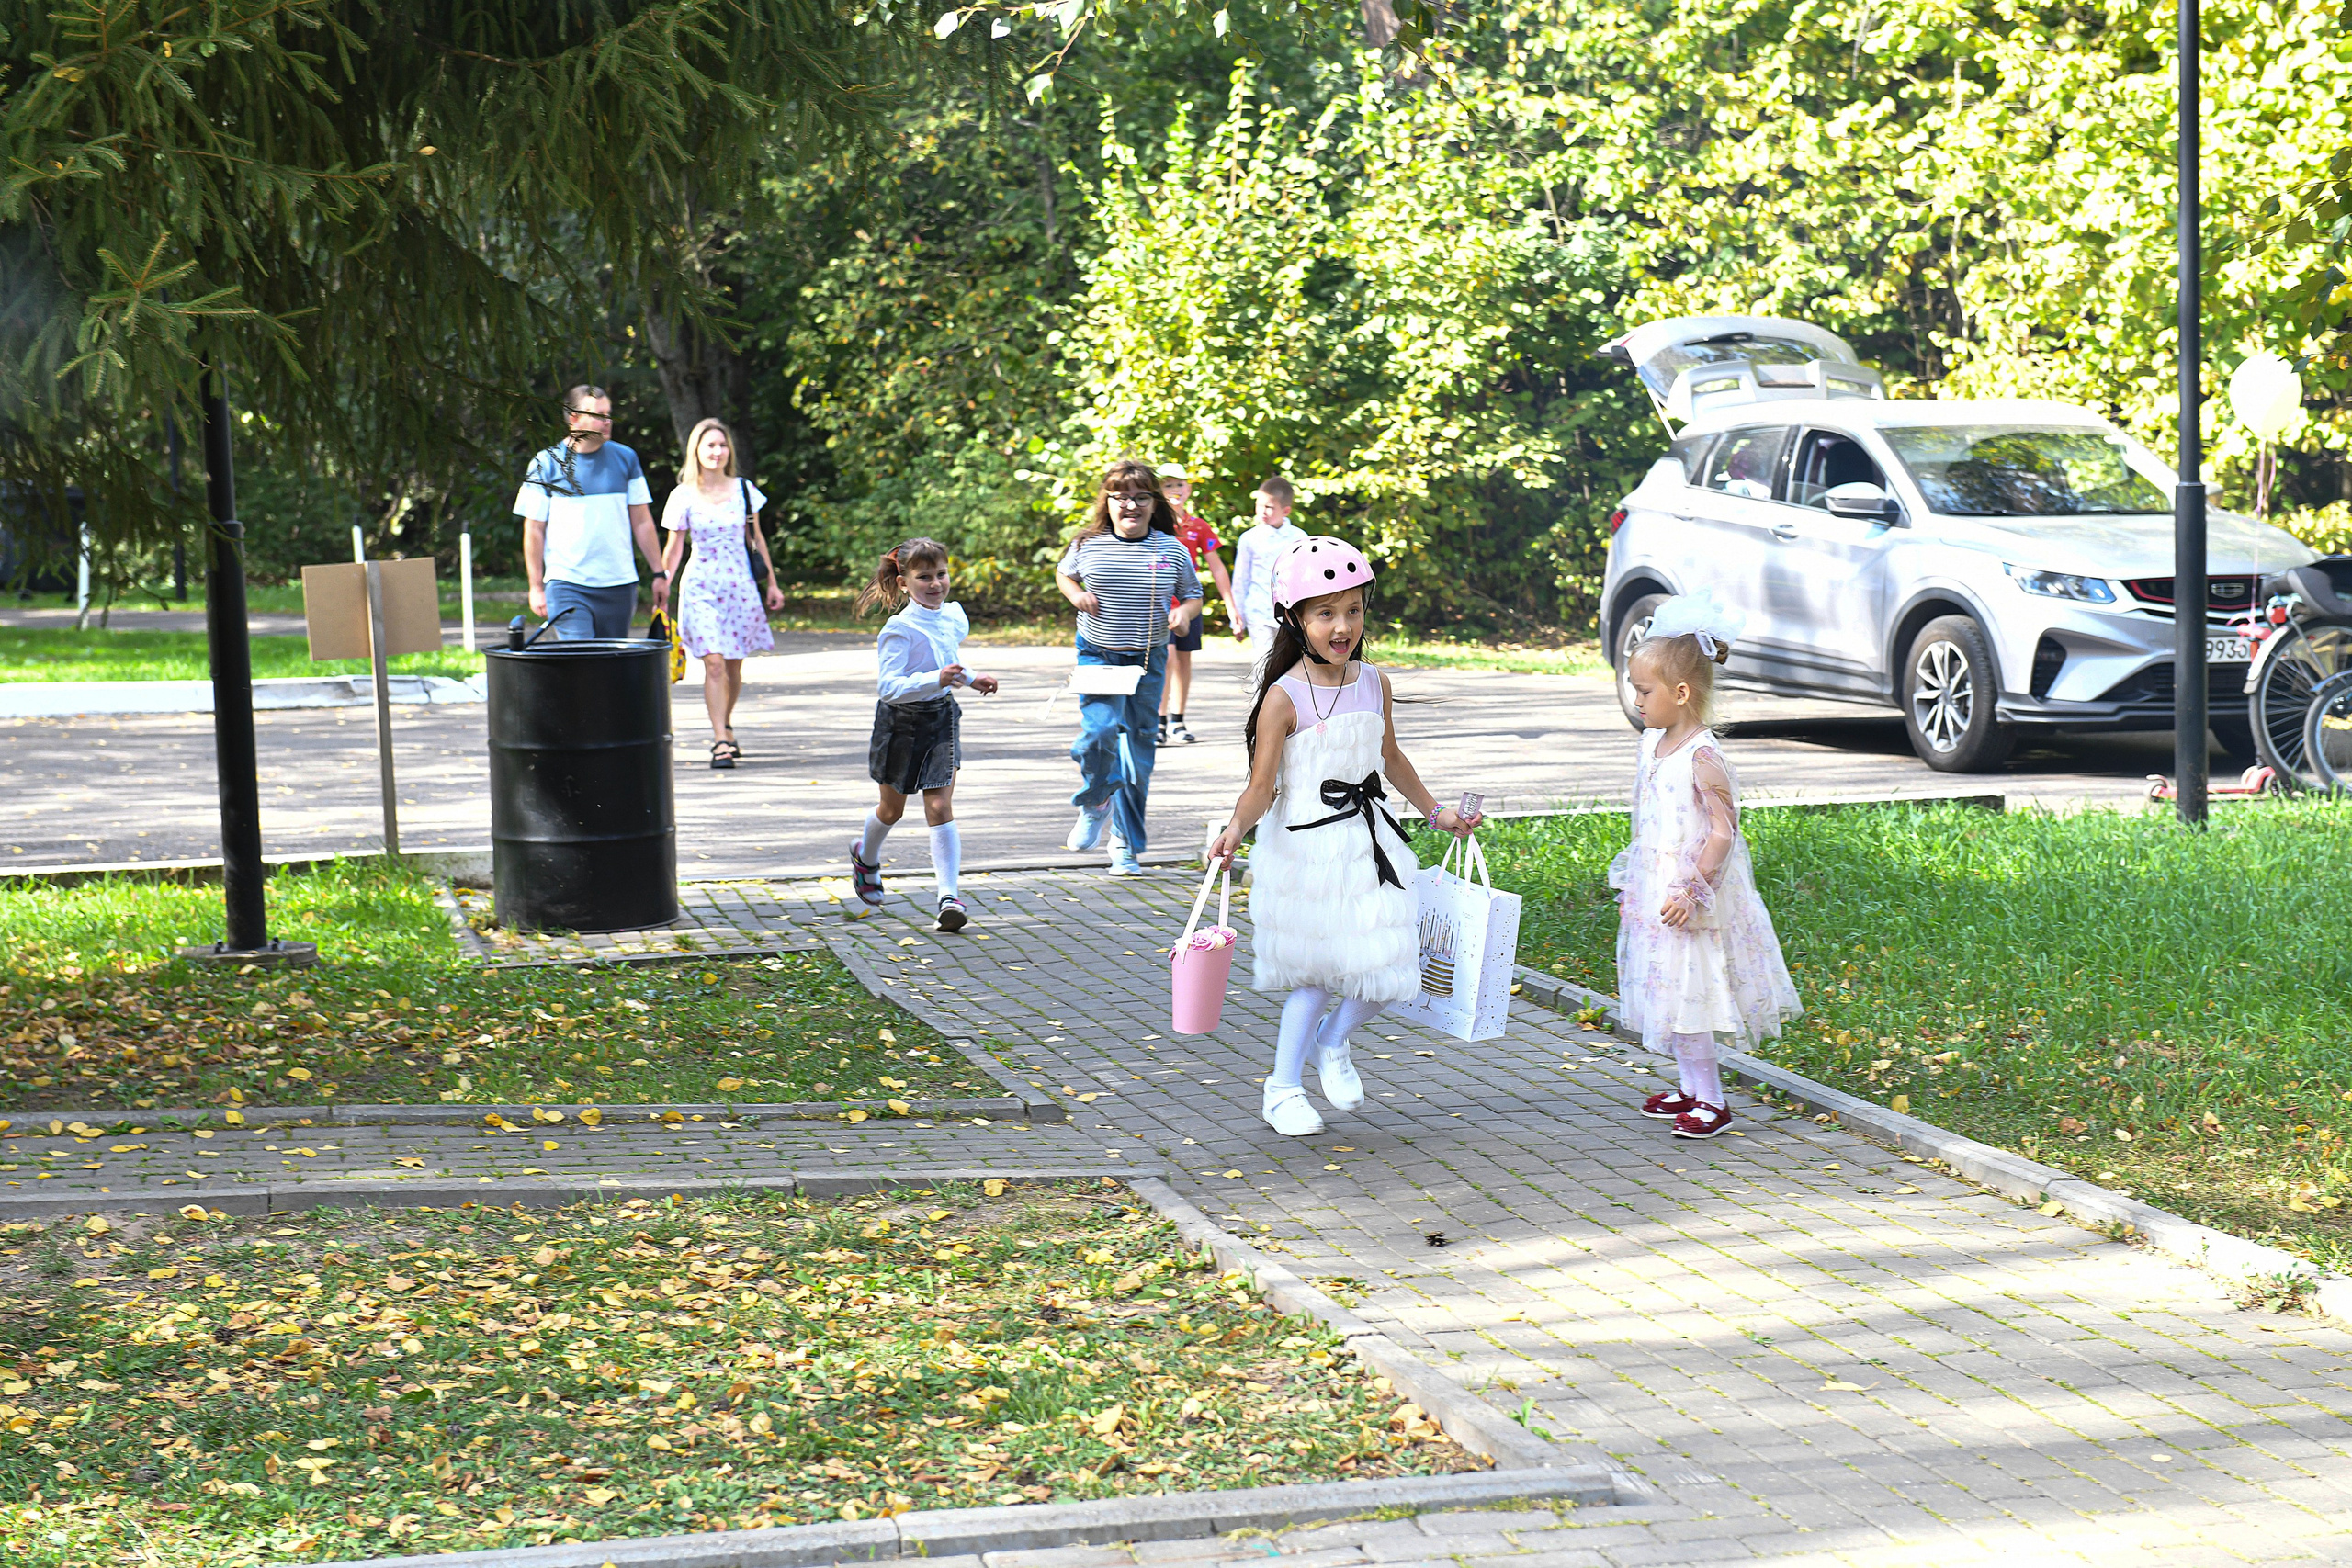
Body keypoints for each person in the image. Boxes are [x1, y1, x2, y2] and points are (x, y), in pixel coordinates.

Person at [1207, 536, 1481, 1137]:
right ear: (1295, 618)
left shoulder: (1372, 683)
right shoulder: (1283, 697)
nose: (1342, 625)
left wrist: (1436, 812)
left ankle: (1333, 1042)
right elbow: (1262, 787)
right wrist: (1233, 830)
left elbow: (1390, 757)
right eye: (1326, 612)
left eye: (1353, 610)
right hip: (1306, 849)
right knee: (1315, 975)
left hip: (1370, 844)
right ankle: (1281, 1088)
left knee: (1394, 965)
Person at [1611, 592, 1802, 1141]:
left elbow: (1723, 830)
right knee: (1664, 990)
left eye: (1644, 691)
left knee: (1689, 994)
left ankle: (1712, 1100)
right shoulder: (1653, 745)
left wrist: (1692, 890)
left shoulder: (1703, 756)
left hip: (1690, 898)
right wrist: (1635, 877)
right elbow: (1649, 820)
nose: (1637, 699)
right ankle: (1690, 1088)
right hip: (1657, 890)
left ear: (1682, 692)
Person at [1054, 461, 1201, 875]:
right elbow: (1064, 576)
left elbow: (1192, 595)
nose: (1130, 505)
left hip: (1147, 660)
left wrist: (1184, 615)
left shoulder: (1171, 549)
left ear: (1154, 504)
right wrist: (1076, 594)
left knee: (1137, 754)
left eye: (1140, 497)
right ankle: (1097, 798)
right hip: (1098, 655)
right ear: (1108, 502)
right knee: (1098, 734)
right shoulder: (1087, 544)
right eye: (1121, 497)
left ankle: (1125, 847)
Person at [848, 539, 999, 931]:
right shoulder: (899, 629)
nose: (935, 584)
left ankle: (949, 897)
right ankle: (866, 855)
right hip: (899, 723)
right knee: (891, 810)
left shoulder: (952, 617)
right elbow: (890, 687)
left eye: (941, 575)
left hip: (940, 719)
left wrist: (970, 677)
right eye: (924, 577)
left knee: (938, 806)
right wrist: (939, 678)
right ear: (903, 583)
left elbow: (948, 659)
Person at [661, 418, 784, 768]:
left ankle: (726, 724)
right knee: (713, 664)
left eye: (722, 445)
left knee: (732, 669)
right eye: (709, 445)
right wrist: (663, 584)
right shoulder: (682, 495)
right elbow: (674, 548)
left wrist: (772, 583)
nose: (717, 452)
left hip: (740, 587)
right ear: (696, 451)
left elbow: (756, 540)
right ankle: (719, 741)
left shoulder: (744, 489)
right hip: (700, 586)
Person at [514, 385, 669, 638]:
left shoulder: (626, 458)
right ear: (573, 418)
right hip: (567, 585)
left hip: (619, 585)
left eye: (608, 414)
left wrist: (658, 573)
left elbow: (642, 522)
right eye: (599, 415)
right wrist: (535, 585)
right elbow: (533, 529)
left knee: (609, 669)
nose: (607, 421)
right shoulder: (545, 463)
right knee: (580, 663)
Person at [1155, 462, 1235, 746]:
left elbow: (1217, 567)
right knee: (1168, 658)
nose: (1174, 490)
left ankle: (1178, 719)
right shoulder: (1153, 523)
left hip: (1189, 602)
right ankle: (1159, 721)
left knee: (1184, 660)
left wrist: (1231, 607)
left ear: (1188, 489)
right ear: (1158, 491)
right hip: (1161, 603)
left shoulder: (1198, 526)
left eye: (1179, 484)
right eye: (1167, 485)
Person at [1228, 473, 1307, 660]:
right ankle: (1262, 691)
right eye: (1259, 505)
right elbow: (1241, 579)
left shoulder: (1299, 538)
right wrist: (1237, 618)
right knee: (1263, 664)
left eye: (1269, 507)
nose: (1262, 511)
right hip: (1258, 611)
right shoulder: (1249, 538)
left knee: (1289, 663)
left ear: (1286, 511)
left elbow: (1305, 578)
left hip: (1290, 613)